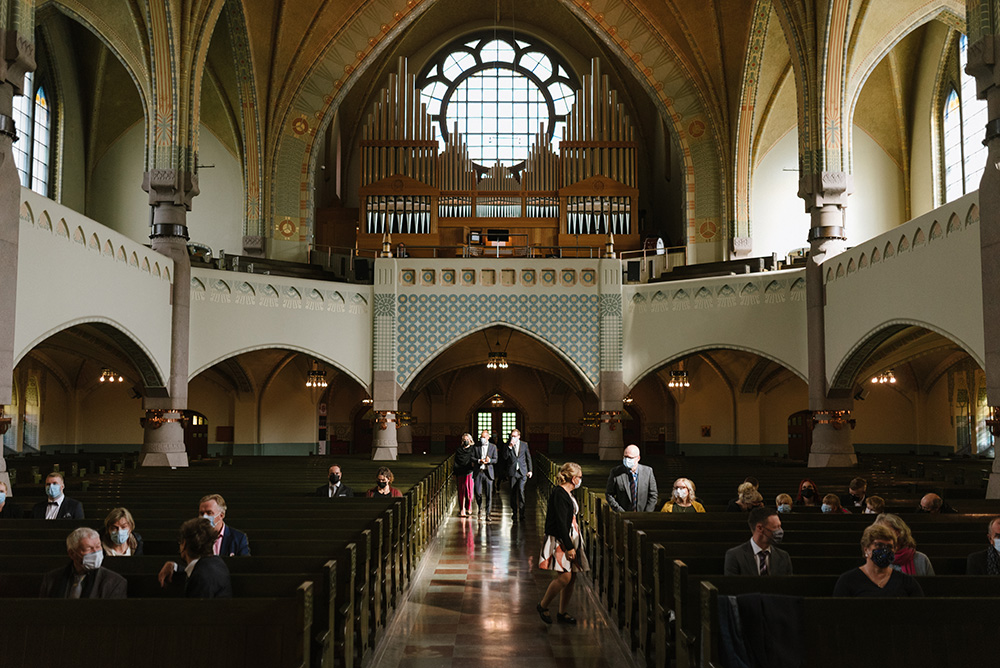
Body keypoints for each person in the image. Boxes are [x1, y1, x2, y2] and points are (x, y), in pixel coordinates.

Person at [537, 462, 589, 625]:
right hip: (562, 538)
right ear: (573, 478)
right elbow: (560, 523)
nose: (581, 480)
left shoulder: (567, 492)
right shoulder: (560, 493)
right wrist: (569, 547)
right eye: (580, 477)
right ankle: (543, 605)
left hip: (570, 536)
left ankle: (562, 611)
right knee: (565, 577)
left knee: (572, 576)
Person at [833, 524, 924, 597]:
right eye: (879, 546)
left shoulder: (907, 582)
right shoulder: (848, 580)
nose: (885, 550)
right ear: (866, 549)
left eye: (889, 547)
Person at [40, 527, 126, 598]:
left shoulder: (114, 582)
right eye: (88, 549)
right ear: (72, 553)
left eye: (98, 546)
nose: (96, 552)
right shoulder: (51, 579)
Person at [159, 517, 233, 598]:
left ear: (184, 543)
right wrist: (174, 566)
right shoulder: (217, 562)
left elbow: (196, 609)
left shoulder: (201, 578)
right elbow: (196, 570)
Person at [724, 507, 792, 576]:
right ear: (759, 528)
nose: (779, 531)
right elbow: (732, 585)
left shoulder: (783, 556)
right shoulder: (735, 556)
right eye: (775, 527)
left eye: (779, 526)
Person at [607, 444, 659, 512]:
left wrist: (646, 514)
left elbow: (653, 495)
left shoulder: (648, 472)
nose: (627, 460)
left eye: (630, 458)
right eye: (625, 457)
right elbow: (609, 494)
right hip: (622, 515)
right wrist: (620, 512)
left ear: (638, 458)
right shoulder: (616, 472)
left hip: (643, 514)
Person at [503, 428, 532, 522]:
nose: (513, 438)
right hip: (513, 472)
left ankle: (522, 513)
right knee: (513, 492)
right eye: (512, 436)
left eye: (515, 436)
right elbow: (505, 457)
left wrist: (530, 470)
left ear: (519, 436)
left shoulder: (524, 444)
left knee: (521, 490)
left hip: (523, 471)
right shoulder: (507, 445)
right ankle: (514, 512)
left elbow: (528, 458)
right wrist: (510, 447)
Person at [473, 429, 498, 521]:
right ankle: (479, 507)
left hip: (488, 473)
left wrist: (489, 461)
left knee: (488, 494)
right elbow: (472, 457)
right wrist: (479, 461)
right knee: (478, 492)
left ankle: (488, 514)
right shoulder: (476, 446)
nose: (482, 439)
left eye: (484, 437)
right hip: (479, 472)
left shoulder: (493, 447)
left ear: (488, 437)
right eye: (481, 437)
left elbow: (496, 459)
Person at [454, 433, 475, 516]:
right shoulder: (459, 450)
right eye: (464, 440)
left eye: (467, 439)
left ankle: (468, 507)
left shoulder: (473, 449)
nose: (466, 441)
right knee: (461, 491)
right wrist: (455, 473)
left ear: (470, 440)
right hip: (460, 472)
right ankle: (461, 508)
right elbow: (456, 462)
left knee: (469, 491)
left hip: (469, 471)